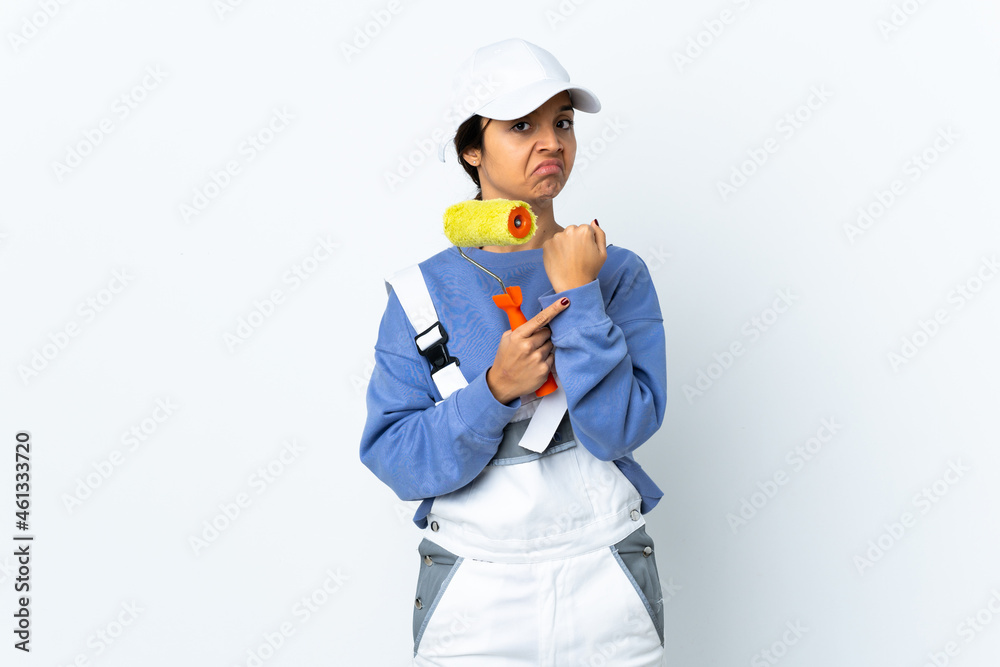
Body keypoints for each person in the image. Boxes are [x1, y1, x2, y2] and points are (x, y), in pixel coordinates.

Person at [359, 38, 668, 666]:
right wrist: (494, 391)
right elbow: (397, 460)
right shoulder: (420, 293)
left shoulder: (617, 273)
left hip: (604, 572)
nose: (551, 142)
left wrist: (580, 293)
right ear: (472, 149)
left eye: (562, 123)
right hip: (475, 589)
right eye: (521, 125)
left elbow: (617, 433)